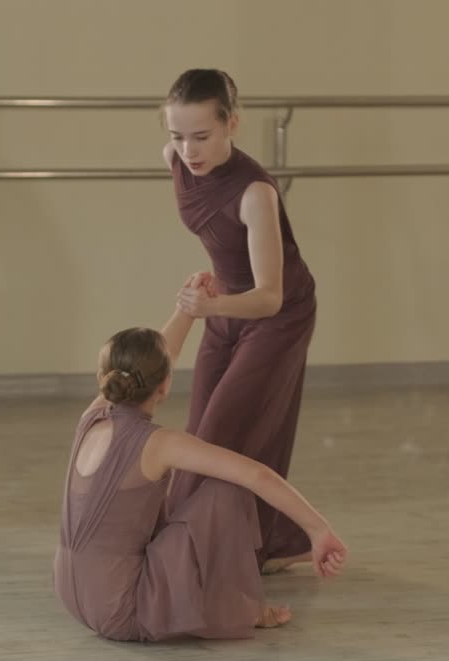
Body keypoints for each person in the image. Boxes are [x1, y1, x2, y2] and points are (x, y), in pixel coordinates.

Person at [53, 303, 346, 641]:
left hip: (73, 597)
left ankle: (232, 604)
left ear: (105, 380)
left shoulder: (91, 418)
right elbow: (257, 475)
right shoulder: (160, 443)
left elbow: (158, 359)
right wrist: (318, 530)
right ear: (164, 386)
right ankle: (243, 607)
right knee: (230, 489)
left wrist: (186, 311)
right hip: (122, 611)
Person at [162, 69, 319, 573]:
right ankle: (274, 542)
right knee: (200, 436)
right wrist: (214, 293)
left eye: (202, 136)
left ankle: (180, 554)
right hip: (226, 306)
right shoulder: (177, 162)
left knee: (229, 429)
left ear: (233, 124)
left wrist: (209, 307)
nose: (188, 149)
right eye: (177, 135)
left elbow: (270, 296)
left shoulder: (256, 193)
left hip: (279, 314)